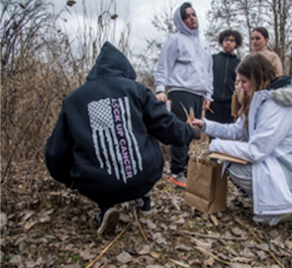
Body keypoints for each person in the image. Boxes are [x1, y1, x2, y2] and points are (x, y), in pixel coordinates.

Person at [46, 42, 201, 235]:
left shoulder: (73, 100)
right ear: (125, 68)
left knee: (93, 159)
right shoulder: (137, 90)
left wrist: (71, 181)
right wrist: (191, 132)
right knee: (148, 137)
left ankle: (105, 206)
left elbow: (56, 153)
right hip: (143, 175)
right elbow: (167, 127)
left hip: (96, 182)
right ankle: (144, 197)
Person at [192, 54, 292, 226]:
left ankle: (284, 208)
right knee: (232, 163)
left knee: (234, 166)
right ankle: (274, 203)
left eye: (244, 81)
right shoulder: (259, 100)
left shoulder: (277, 107)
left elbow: (255, 151)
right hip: (277, 162)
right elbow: (237, 130)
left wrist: (216, 146)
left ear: (257, 78)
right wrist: (206, 126)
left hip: (291, 169)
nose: (241, 86)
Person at [154, 2, 213, 189]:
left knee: (194, 132)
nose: (192, 18)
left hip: (198, 94)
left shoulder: (204, 45)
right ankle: (176, 172)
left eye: (193, 14)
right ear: (180, 21)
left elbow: (209, 72)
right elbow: (163, 66)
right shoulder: (175, 40)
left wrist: (208, 94)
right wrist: (160, 89)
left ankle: (186, 167)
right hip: (181, 91)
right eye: (187, 16)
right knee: (181, 131)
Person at [232, 27, 283, 116]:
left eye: (258, 38)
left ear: (266, 40)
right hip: (246, 102)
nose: (254, 41)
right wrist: (242, 94)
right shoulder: (246, 58)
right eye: (252, 39)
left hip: (265, 103)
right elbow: (238, 80)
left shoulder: (272, 57)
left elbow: (278, 80)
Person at [205, 29, 243, 128]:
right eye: (226, 40)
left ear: (236, 43)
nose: (228, 42)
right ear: (221, 42)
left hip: (231, 104)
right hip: (214, 102)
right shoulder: (213, 59)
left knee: (228, 133)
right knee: (212, 131)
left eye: (231, 40)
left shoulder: (240, 63)